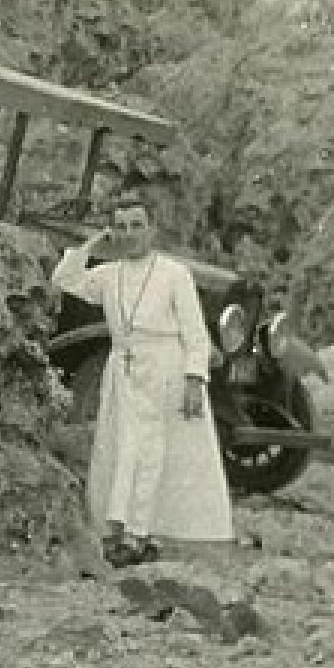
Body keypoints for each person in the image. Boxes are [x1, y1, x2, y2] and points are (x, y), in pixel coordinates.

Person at [51, 192, 232, 564]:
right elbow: (64, 279)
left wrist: (195, 380)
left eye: (137, 226)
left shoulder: (173, 274)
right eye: (120, 227)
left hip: (164, 367)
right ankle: (115, 529)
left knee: (151, 451)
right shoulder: (108, 275)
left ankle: (138, 535)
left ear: (151, 231)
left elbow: (195, 333)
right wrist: (93, 243)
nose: (129, 234)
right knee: (120, 447)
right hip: (123, 368)